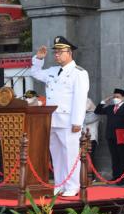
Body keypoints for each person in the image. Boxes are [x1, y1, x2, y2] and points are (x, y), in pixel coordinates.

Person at [31, 36, 89, 196]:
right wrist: (38, 59)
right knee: (56, 155)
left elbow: (79, 98)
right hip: (52, 120)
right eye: (55, 52)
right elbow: (35, 73)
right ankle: (60, 184)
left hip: (68, 121)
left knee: (70, 155)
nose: (56, 55)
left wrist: (77, 122)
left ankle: (72, 186)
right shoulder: (52, 71)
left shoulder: (79, 73)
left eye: (60, 52)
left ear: (69, 53)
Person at [95, 89, 124, 185]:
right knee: (114, 157)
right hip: (110, 135)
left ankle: (123, 179)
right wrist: (104, 101)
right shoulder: (110, 107)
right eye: (114, 97)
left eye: (118, 97)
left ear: (123, 98)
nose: (116, 99)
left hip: (121, 136)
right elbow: (97, 111)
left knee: (122, 157)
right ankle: (115, 177)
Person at [84, 98, 100, 181]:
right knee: (83, 158)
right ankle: (84, 175)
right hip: (83, 139)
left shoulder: (95, 113)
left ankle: (91, 177)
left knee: (90, 158)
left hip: (91, 139)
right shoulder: (84, 114)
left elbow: (84, 120)